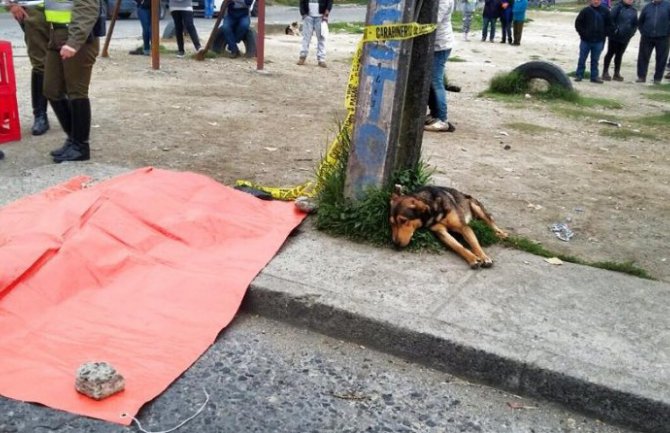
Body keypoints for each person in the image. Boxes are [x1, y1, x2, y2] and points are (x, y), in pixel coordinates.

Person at [4, 0, 50, 136]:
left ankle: (69, 110)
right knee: (40, 63)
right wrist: (11, 3)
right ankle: (40, 115)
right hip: (33, 9)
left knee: (66, 60)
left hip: (66, 9)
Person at [425, 0, 455, 133]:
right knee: (431, 81)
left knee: (436, 81)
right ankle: (435, 114)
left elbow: (433, 20)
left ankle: (442, 119)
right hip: (434, 44)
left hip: (440, 45)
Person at [574, 0, 612, 83]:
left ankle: (594, 77)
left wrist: (604, 34)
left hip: (598, 41)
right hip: (585, 40)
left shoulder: (605, 11)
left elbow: (610, 25)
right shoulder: (585, 11)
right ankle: (579, 75)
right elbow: (578, 24)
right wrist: (583, 34)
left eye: (598, 0)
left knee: (595, 60)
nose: (596, 1)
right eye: (594, 0)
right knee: (582, 59)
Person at [601, 0, 638, 81]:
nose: (630, 0)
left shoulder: (634, 10)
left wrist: (632, 33)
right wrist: (615, 30)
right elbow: (611, 20)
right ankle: (605, 72)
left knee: (619, 55)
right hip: (615, 36)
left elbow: (635, 24)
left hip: (626, 37)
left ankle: (616, 73)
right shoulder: (617, 7)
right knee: (610, 53)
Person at [635, 0, 670, 84]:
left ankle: (657, 78)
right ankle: (641, 76)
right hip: (647, 37)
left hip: (663, 37)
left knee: (661, 59)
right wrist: (643, 31)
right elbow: (640, 21)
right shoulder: (647, 7)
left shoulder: (668, 6)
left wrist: (668, 32)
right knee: (643, 57)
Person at [297, 0, 332, 67]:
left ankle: (321, 59)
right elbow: (302, 2)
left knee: (321, 38)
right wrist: (303, 14)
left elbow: (329, 1)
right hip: (308, 16)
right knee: (306, 38)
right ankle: (302, 56)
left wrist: (327, 13)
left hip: (321, 17)